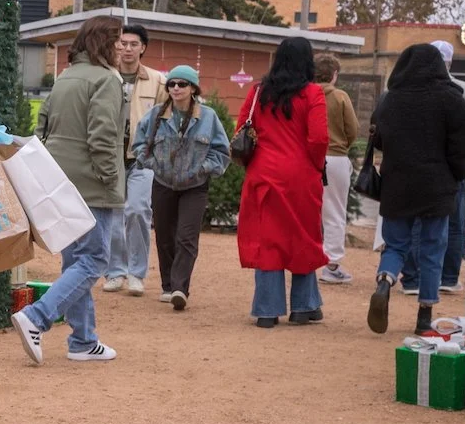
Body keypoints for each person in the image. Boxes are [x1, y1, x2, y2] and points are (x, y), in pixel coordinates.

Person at [11, 16, 124, 364]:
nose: (122, 47)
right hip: (93, 182)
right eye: (117, 40)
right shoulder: (105, 80)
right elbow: (102, 136)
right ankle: (38, 317)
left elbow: (41, 127)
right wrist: (110, 179)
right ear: (103, 42)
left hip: (59, 177)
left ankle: (83, 340)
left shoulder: (65, 77)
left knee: (76, 259)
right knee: (93, 259)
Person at [367, 44, 465, 334]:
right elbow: (459, 149)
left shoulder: (391, 99)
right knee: (432, 247)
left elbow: (378, 140)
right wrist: (457, 175)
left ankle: (385, 281)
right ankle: (425, 315)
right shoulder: (453, 100)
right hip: (437, 185)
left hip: (397, 183)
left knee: (396, 244)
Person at [235, 38, 329, 328]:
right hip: (300, 175)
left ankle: (267, 311)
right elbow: (319, 138)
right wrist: (314, 166)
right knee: (303, 237)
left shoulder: (258, 92)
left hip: (262, 174)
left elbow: (240, 128)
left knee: (268, 241)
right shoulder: (313, 93)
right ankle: (303, 307)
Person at [131, 65, 230, 310]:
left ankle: (179, 288)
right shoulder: (155, 115)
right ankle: (167, 285)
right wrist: (155, 164)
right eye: (172, 84)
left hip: (195, 186)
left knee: (186, 237)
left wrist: (204, 168)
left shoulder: (208, 117)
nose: (176, 88)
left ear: (193, 88)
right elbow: (139, 146)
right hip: (163, 183)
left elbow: (222, 151)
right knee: (164, 236)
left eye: (182, 84)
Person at [397, 39, 465, 295]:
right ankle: (448, 277)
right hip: (451, 167)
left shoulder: (405, 89)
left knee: (417, 223)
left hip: (413, 167)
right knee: (453, 223)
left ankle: (413, 278)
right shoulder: (462, 90)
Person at [102, 24, 167, 297]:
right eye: (123, 43)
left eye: (133, 44)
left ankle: (136, 274)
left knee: (138, 211)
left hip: (142, 159)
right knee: (113, 217)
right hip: (111, 157)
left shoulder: (157, 81)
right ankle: (115, 272)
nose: (127, 48)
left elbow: (167, 117)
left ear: (143, 48)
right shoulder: (106, 77)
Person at [315, 53, 360, 285]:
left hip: (309, 158)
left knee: (310, 211)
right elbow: (352, 129)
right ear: (334, 74)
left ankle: (305, 258)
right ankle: (331, 265)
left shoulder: (306, 94)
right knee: (334, 212)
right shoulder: (340, 96)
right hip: (335, 157)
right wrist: (342, 144)